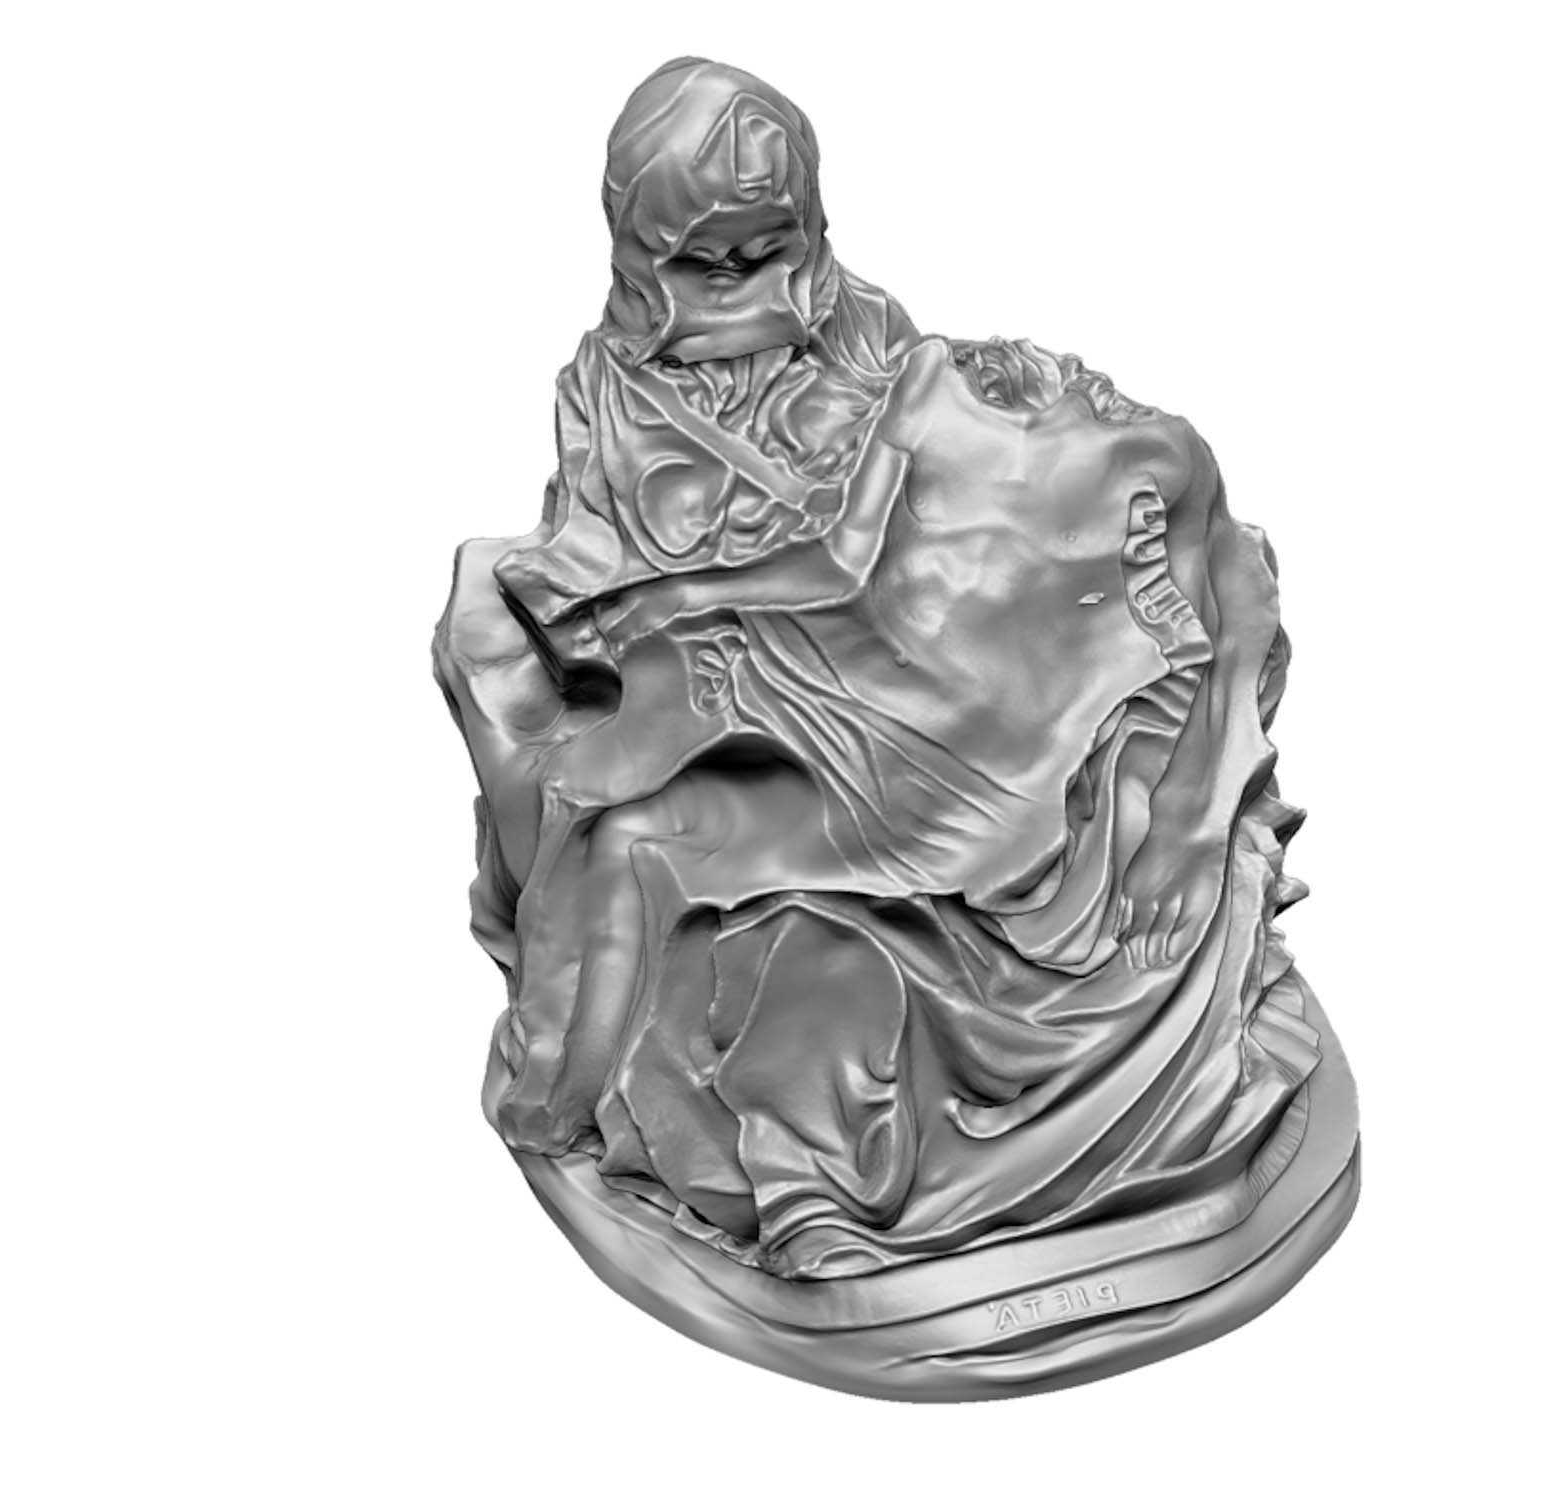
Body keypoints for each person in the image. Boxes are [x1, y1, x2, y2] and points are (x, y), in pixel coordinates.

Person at [435, 58, 1324, 1279]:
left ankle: (825, 1142)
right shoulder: (607, 394)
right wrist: (664, 593)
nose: (742, 281)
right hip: (754, 669)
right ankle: (615, 1090)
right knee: (620, 817)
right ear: (641, 253)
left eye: (768, 248)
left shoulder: (892, 348)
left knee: (765, 860)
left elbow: (904, 537)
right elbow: (637, 557)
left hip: (901, 667)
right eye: (706, 260)